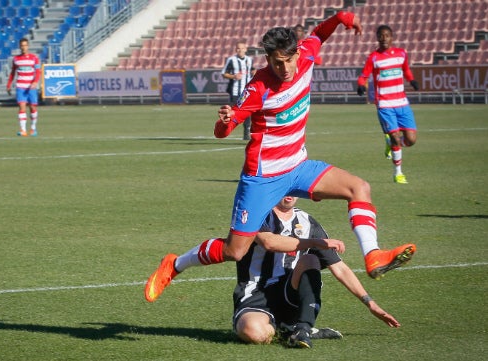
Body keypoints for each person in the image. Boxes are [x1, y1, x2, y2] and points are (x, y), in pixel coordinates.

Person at [144, 11, 416, 304]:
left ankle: (373, 256)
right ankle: (174, 265)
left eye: (288, 60)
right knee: (235, 251)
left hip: (298, 166)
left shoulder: (307, 53)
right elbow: (223, 132)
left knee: (359, 188)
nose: (284, 68)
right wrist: (225, 120)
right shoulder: (258, 87)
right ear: (267, 60)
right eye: (276, 62)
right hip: (263, 177)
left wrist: (341, 17)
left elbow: (320, 33)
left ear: (297, 53)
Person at [233, 196, 401, 348]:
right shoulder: (258, 215)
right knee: (253, 332)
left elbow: (340, 268)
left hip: (289, 292)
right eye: (285, 188)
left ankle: (303, 328)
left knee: (310, 260)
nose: (289, 193)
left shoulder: (307, 222)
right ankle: (289, 330)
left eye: (294, 189)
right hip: (255, 293)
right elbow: (269, 242)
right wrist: (314, 242)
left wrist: (370, 304)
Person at [357, 25, 419, 184]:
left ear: (392, 37)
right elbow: (364, 75)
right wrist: (360, 84)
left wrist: (412, 80)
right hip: (385, 103)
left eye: (386, 35)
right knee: (396, 138)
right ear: (377, 38)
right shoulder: (374, 57)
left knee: (411, 140)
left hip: (402, 103)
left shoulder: (401, 54)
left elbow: (406, 70)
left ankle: (390, 143)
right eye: (381, 36)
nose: (384, 38)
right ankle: (398, 173)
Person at [6, 38, 41, 137]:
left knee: (33, 107)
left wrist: (35, 82)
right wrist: (9, 84)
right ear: (20, 47)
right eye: (22, 45)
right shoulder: (16, 59)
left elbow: (38, 71)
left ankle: (33, 128)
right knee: (22, 107)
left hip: (31, 87)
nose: (24, 47)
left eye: (25, 45)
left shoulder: (34, 58)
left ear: (28, 46)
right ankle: (23, 130)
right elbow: (13, 73)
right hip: (20, 86)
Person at [221, 40, 255, 140]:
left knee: (248, 113)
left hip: (246, 92)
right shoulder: (231, 60)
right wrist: (234, 76)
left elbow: (252, 70)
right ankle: (224, 129)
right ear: (236, 50)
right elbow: (224, 73)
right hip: (235, 91)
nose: (240, 50)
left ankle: (246, 134)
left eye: (242, 48)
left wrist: (254, 72)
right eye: (238, 49)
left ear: (245, 49)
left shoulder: (249, 60)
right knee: (232, 112)